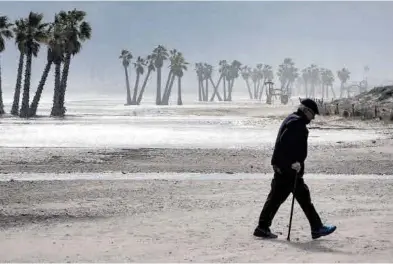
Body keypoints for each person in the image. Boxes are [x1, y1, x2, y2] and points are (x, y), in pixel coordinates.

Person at [253, 98, 336, 239]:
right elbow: (284, 144)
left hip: (283, 168)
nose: (313, 117)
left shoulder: (292, 119)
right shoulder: (296, 123)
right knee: (301, 197)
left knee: (276, 198)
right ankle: (317, 228)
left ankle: (262, 227)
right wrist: (292, 163)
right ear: (306, 110)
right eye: (312, 113)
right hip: (289, 170)